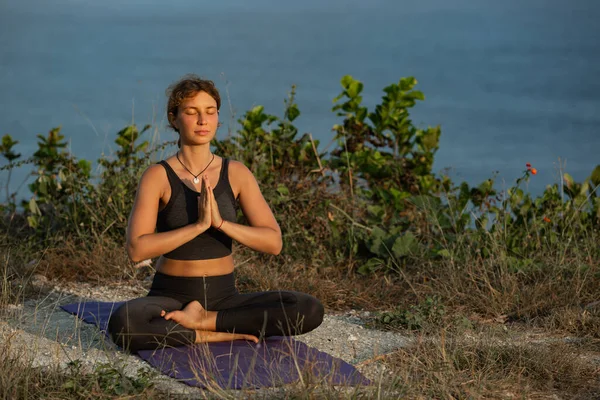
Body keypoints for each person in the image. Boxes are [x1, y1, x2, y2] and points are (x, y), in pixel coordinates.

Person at [107, 75, 324, 353]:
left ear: (218, 118)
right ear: (174, 119)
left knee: (308, 309)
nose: (202, 121)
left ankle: (205, 321)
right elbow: (137, 249)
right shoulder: (157, 176)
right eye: (191, 112)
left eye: (210, 112)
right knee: (126, 324)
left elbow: (273, 243)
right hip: (170, 296)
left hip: (224, 298)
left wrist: (220, 224)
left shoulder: (236, 173)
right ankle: (214, 334)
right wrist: (198, 226)